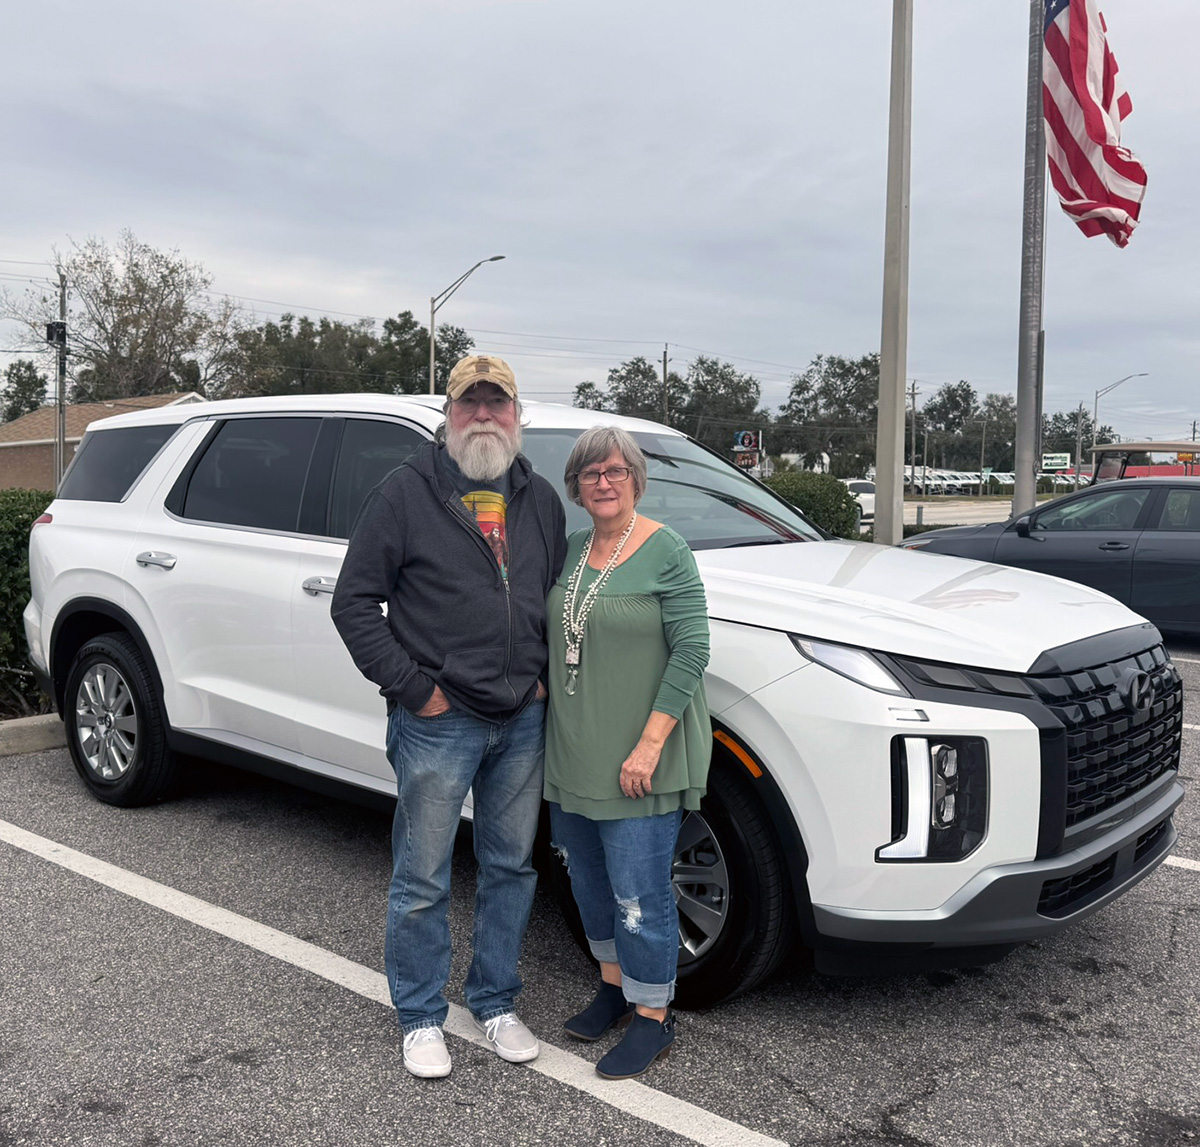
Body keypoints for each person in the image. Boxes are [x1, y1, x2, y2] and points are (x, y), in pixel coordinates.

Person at [331, 354, 567, 1079]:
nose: (485, 417)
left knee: (509, 868)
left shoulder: (541, 499)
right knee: (424, 874)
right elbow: (354, 602)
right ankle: (422, 1015)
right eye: (472, 404)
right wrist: (414, 688)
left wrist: (539, 683)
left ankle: (495, 1000)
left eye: (499, 405)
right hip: (439, 718)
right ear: (449, 413)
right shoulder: (406, 493)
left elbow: (551, 598)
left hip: (519, 720)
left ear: (518, 417)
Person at [546, 425, 711, 1080]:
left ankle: (652, 1017)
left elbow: (693, 649)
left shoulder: (666, 550)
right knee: (587, 882)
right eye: (590, 474)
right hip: (574, 753)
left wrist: (648, 744)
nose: (603, 482)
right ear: (577, 486)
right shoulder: (571, 548)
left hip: (640, 757)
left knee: (640, 894)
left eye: (614, 470)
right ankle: (615, 985)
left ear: (635, 477)